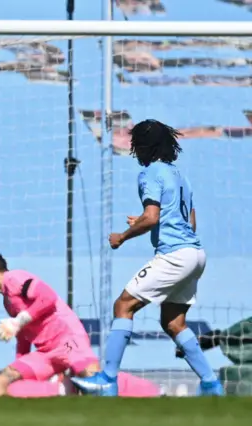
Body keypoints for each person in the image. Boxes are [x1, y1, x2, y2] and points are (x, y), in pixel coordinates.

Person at [71, 119, 223, 396]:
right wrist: (142, 219)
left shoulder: (150, 173)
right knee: (174, 322)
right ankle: (212, 384)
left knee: (123, 305)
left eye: (135, 145)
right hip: (195, 254)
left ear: (143, 147)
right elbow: (188, 220)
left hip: (174, 255)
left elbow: (152, 218)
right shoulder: (179, 176)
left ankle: (107, 379)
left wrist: (124, 235)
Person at [0, 252, 160, 398]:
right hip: (46, 353)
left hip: (68, 342)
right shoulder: (8, 303)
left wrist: (18, 321)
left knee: (97, 384)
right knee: (0, 383)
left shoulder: (15, 278)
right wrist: (19, 362)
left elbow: (47, 298)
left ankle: (154, 392)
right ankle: (65, 390)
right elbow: (23, 336)